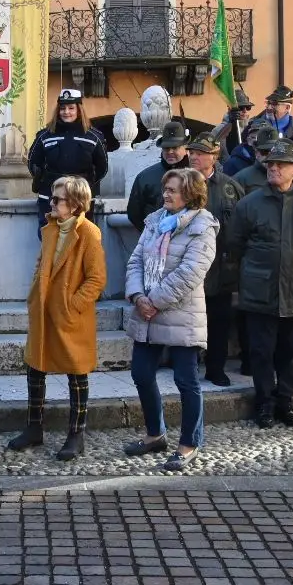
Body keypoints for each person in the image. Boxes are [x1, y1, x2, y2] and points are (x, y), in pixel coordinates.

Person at [226, 138, 293, 427]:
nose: (274, 168)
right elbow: (236, 243)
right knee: (261, 353)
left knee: (291, 352)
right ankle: (264, 404)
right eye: (271, 163)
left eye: (281, 164)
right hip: (261, 291)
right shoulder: (250, 204)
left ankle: (286, 402)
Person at [124, 167, 216, 470]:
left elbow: (190, 272)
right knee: (141, 373)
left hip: (180, 314)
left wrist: (155, 301)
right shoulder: (155, 222)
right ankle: (155, 434)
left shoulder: (202, 226)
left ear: (190, 194)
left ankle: (189, 443)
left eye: (173, 190)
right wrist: (139, 296)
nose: (166, 194)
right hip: (147, 312)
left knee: (186, 380)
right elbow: (136, 259)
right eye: (166, 189)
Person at [11, 175, 107, 461]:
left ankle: (77, 434)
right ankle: (34, 428)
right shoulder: (50, 229)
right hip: (43, 311)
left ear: (76, 204)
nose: (51, 203)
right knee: (35, 368)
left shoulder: (89, 233)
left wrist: (71, 305)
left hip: (70, 316)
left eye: (57, 199)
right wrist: (33, 295)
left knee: (77, 374)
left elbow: (97, 278)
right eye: (51, 198)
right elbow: (41, 264)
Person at [185, 133, 245, 386]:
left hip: (222, 267)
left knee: (219, 322)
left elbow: (242, 225)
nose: (195, 156)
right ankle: (187, 369)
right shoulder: (181, 184)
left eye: (201, 152)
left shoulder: (231, 187)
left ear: (214, 156)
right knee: (188, 323)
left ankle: (215, 367)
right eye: (192, 152)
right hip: (189, 266)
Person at [27, 88, 109, 229]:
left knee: (80, 241)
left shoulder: (93, 136)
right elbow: (33, 164)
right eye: (63, 108)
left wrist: (84, 185)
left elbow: (102, 168)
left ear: (79, 110)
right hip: (50, 199)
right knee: (50, 241)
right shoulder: (45, 135)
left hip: (80, 200)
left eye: (71, 108)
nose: (66, 112)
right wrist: (48, 183)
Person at [126, 121, 189, 231]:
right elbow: (134, 213)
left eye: (174, 148)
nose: (170, 152)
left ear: (185, 147)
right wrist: (152, 234)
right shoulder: (144, 178)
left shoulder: (198, 176)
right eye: (166, 148)